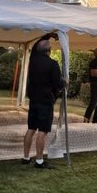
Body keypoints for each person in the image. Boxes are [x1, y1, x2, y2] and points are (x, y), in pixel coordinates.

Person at [22, 37, 64, 169]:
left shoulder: (32, 61)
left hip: (33, 100)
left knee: (31, 129)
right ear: (49, 50)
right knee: (43, 131)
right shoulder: (52, 64)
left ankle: (26, 157)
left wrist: (47, 35)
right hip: (45, 101)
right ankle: (39, 161)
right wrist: (64, 82)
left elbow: (35, 47)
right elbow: (57, 83)